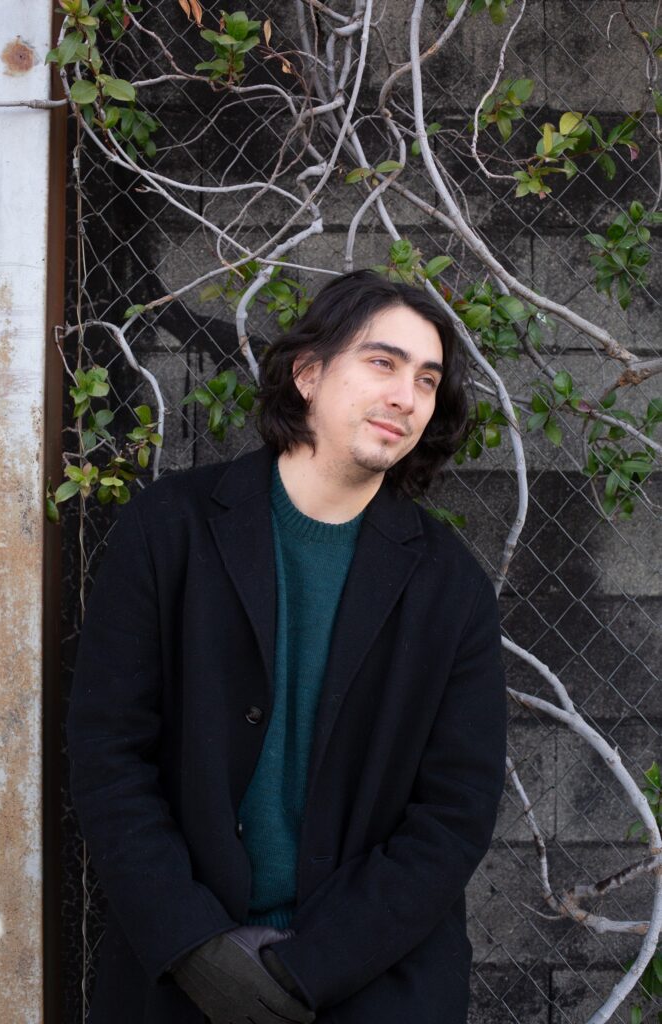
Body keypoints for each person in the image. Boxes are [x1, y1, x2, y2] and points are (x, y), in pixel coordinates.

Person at [67, 268, 507, 1024]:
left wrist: (312, 968)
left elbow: (455, 812)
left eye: (427, 380)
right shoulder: (169, 529)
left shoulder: (451, 587)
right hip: (178, 972)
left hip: (372, 981)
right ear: (307, 373)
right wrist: (193, 945)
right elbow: (108, 751)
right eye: (383, 362)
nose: (407, 396)